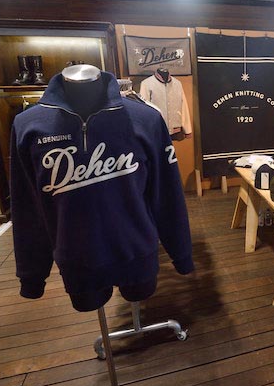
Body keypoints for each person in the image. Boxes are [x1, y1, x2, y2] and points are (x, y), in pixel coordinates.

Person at [10, 64, 194, 312]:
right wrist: (31, 275)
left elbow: (167, 195)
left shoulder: (146, 119)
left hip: (138, 254)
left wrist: (181, 254)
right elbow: (27, 208)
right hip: (77, 261)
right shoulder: (27, 125)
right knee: (87, 303)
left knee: (140, 294)